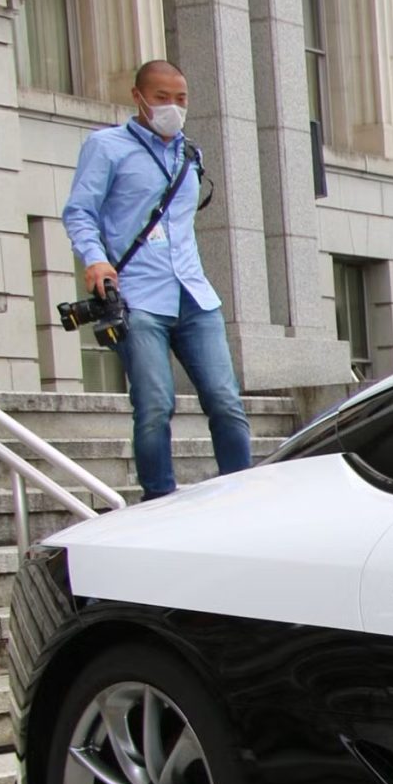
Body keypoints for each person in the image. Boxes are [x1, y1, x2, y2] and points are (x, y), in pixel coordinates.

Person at [60, 59, 254, 503]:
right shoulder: (106, 147)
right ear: (139, 98)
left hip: (194, 293)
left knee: (226, 402)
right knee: (154, 405)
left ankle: (244, 496)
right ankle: (159, 500)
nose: (173, 107)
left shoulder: (190, 154)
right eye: (162, 98)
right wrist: (94, 259)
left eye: (180, 99)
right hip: (139, 295)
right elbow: (80, 211)